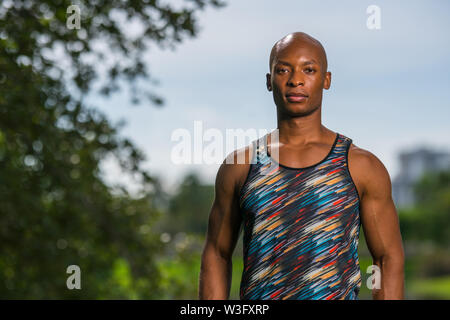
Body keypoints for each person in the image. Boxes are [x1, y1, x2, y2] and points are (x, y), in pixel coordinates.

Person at [198, 32, 404, 300]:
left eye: (309, 69)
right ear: (269, 81)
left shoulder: (361, 166)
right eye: (283, 70)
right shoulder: (240, 166)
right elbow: (217, 254)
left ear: (326, 80)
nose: (296, 80)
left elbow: (387, 259)